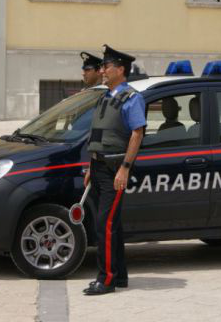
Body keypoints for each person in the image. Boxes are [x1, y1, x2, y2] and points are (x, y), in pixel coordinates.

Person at [82, 45, 146, 296]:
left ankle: (106, 280)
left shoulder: (132, 98)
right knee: (112, 224)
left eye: (107, 66)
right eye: (102, 67)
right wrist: (90, 166)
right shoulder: (105, 96)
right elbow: (98, 135)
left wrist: (125, 169)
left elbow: (137, 133)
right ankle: (119, 276)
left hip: (114, 170)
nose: (102, 70)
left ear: (121, 69)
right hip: (98, 167)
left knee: (104, 225)